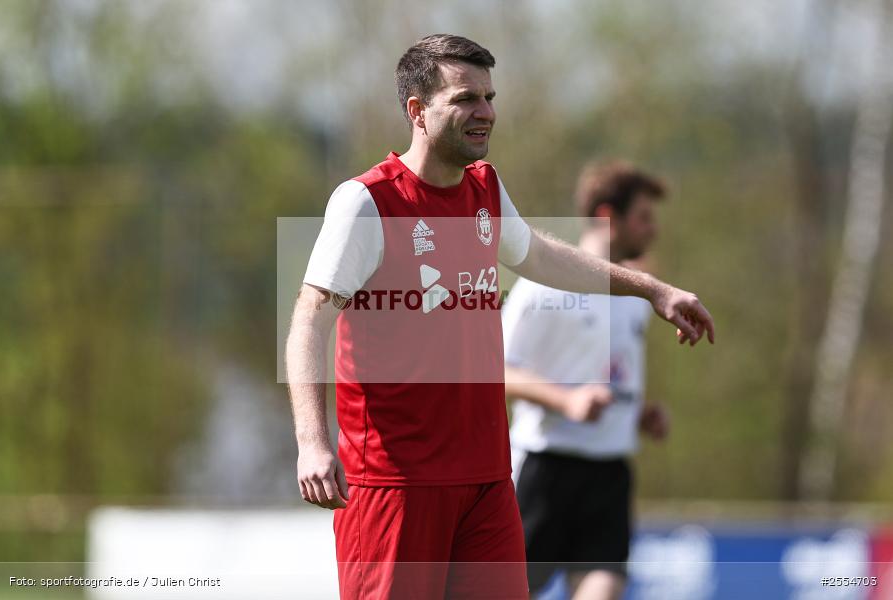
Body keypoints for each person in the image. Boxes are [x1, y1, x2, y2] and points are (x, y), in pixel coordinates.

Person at [285, 34, 714, 600]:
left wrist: (651, 290)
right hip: (396, 482)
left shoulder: (484, 187)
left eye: (489, 97)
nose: (485, 112)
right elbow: (310, 320)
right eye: (465, 98)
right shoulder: (367, 202)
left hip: (487, 481)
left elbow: (540, 256)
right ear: (417, 110)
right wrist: (313, 442)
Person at [504, 161, 674, 599]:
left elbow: (612, 377)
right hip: (545, 469)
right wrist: (567, 402)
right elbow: (494, 371)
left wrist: (639, 412)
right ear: (607, 216)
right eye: (643, 217)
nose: (653, 229)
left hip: (610, 473)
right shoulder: (544, 286)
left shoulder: (637, 294)